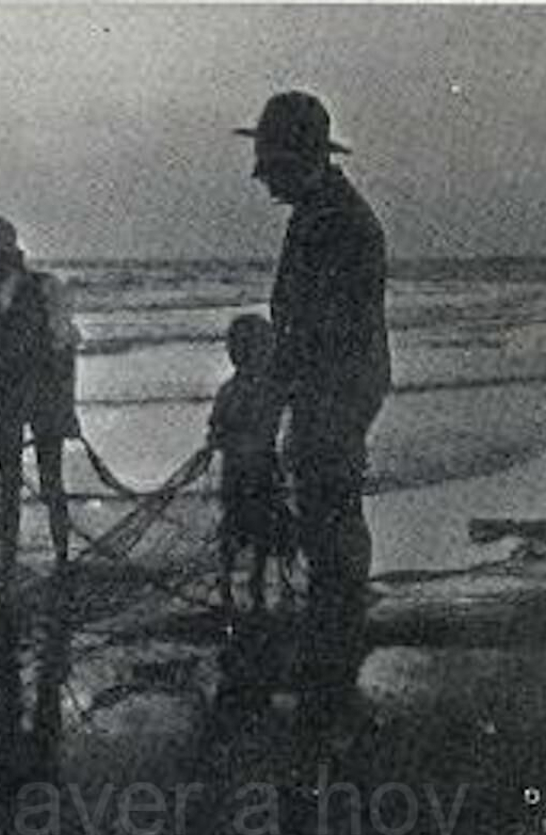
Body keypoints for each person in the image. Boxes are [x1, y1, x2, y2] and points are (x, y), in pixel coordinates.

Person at [235, 91, 390, 709]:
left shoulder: (338, 222)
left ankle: (337, 636)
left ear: (296, 156)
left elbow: (314, 330)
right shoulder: (318, 211)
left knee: (329, 500)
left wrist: (277, 397)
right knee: (326, 499)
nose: (260, 173)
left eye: (267, 160)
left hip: (339, 384)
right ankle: (335, 621)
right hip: (333, 382)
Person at [0, 217, 80, 578]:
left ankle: (60, 559)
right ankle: (12, 558)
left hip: (39, 398)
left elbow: (65, 350)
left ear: (0, 253)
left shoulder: (43, 289)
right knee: (12, 484)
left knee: (49, 479)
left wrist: (66, 408)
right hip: (9, 398)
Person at [206, 313, 288, 613]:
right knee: (241, 526)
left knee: (252, 527)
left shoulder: (237, 390)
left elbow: (215, 429)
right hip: (245, 470)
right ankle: (236, 577)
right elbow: (216, 427)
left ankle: (244, 578)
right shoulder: (253, 390)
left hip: (255, 468)